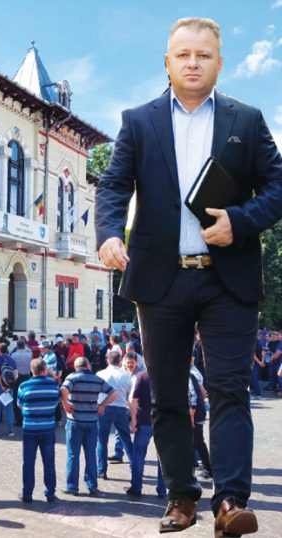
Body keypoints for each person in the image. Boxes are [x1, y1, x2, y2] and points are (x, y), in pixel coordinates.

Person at [95, 16, 282, 535]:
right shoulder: (138, 121)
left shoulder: (247, 120)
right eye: (183, 55)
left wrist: (240, 221)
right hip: (161, 279)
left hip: (228, 279)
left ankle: (230, 503)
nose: (193, 63)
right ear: (168, 62)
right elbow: (113, 185)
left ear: (219, 63)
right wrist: (109, 234)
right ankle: (181, 496)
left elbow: (278, 187)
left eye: (203, 55)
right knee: (168, 396)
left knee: (229, 391)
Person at [60, 357, 117, 496]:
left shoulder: (72, 377)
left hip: (75, 421)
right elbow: (114, 393)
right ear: (88, 365)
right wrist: (102, 406)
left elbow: (63, 390)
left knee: (73, 454)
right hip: (92, 422)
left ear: (76, 367)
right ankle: (92, 485)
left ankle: (72, 486)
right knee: (91, 455)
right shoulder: (97, 379)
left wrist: (65, 404)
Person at [17, 359, 60, 503]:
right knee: (49, 462)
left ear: (32, 370)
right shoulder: (53, 384)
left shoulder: (23, 386)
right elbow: (56, 402)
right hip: (48, 428)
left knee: (28, 462)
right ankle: (50, 492)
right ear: (45, 369)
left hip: (30, 428)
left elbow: (20, 405)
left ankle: (27, 494)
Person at [127, 369, 166, 498]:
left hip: (144, 420)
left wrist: (133, 420)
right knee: (163, 457)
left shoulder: (142, 376)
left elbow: (133, 399)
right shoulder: (168, 375)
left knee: (138, 455)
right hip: (163, 422)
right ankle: (162, 489)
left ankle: (136, 487)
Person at [96, 351, 134, 480]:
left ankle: (101, 470)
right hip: (120, 408)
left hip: (103, 408)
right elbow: (130, 394)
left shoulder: (100, 374)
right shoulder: (126, 375)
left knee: (102, 440)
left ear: (107, 360)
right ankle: (135, 467)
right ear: (120, 361)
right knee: (126, 439)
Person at [12, 337, 33, 427]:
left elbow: (11, 368)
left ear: (17, 345)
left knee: (17, 398)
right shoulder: (29, 354)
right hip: (27, 377)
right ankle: (27, 416)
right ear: (24, 345)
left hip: (17, 377)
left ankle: (19, 420)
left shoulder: (13, 355)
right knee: (27, 398)